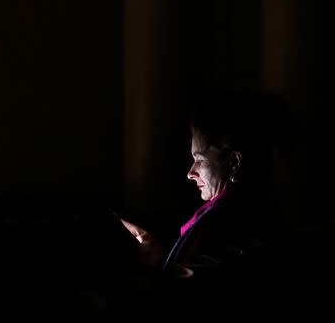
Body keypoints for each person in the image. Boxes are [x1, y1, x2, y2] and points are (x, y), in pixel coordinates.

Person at [118, 88, 287, 277]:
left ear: (234, 161)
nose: (191, 173)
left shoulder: (223, 223)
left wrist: (144, 266)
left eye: (199, 159)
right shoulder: (245, 210)